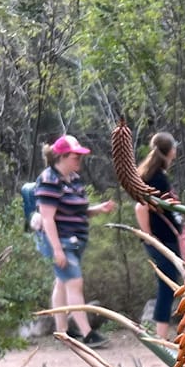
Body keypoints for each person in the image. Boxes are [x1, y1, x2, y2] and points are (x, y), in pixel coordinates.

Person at [34, 134, 117, 345]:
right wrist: (57, 251)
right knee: (74, 282)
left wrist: (98, 209)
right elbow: (48, 218)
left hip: (76, 239)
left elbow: (77, 211)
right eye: (75, 156)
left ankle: (62, 332)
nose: (79, 160)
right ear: (61, 157)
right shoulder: (48, 180)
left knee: (62, 283)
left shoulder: (74, 179)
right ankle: (87, 333)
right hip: (60, 241)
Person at [134, 131, 185, 340]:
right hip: (161, 240)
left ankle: (169, 333)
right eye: (174, 147)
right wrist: (151, 238)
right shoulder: (157, 178)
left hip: (168, 239)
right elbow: (141, 208)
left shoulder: (157, 175)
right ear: (170, 150)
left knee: (180, 281)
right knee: (169, 284)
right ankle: (162, 336)